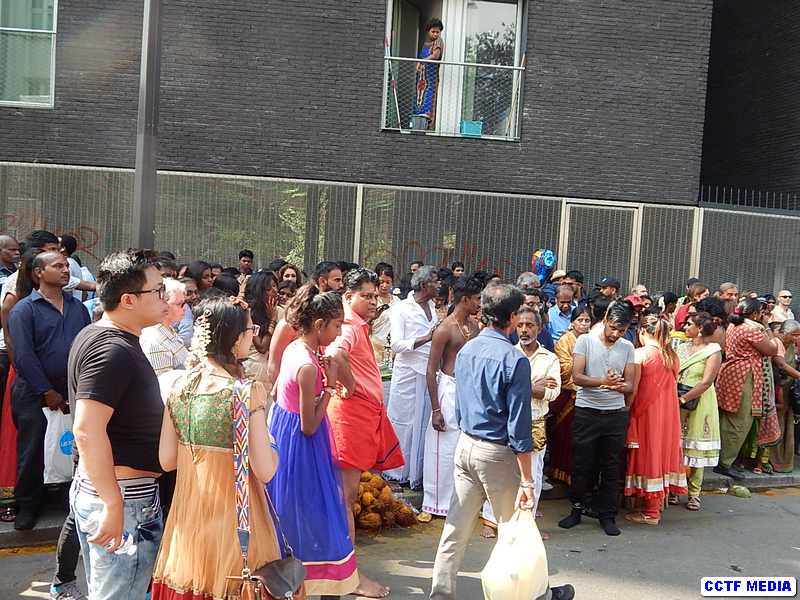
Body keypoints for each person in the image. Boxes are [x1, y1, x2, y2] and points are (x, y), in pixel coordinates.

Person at [429, 283, 574, 600]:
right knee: (514, 529)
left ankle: (441, 593)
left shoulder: (467, 349)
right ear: (512, 318)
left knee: (455, 528)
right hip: (496, 452)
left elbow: (460, 405)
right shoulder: (514, 360)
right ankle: (536, 595)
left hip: (466, 445)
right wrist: (527, 479)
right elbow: (518, 426)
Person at [150, 295, 280, 599]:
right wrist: (272, 445)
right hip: (237, 524)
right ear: (234, 339)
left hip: (188, 524)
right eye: (250, 329)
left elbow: (167, 460)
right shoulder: (244, 393)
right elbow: (266, 470)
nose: (253, 334)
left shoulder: (178, 388)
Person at [68, 251, 167, 600]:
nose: (165, 297)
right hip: (124, 499)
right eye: (157, 290)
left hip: (116, 494)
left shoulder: (103, 336)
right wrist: (113, 504)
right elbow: (86, 429)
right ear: (128, 300)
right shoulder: (112, 350)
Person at [267, 285, 359, 597]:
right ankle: (317, 579)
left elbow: (276, 393)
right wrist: (329, 386)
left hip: (284, 435)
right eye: (336, 326)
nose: (338, 333)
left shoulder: (295, 348)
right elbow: (308, 426)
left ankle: (291, 581)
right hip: (303, 446)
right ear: (319, 325)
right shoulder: (307, 366)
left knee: (288, 512)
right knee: (314, 511)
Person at [325, 268, 403, 599]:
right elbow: (335, 354)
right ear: (348, 297)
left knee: (343, 497)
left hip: (356, 416)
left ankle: (342, 572)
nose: (373, 301)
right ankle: (349, 576)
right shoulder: (349, 326)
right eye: (366, 296)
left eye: (375, 295)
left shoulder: (354, 324)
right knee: (344, 498)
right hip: (350, 417)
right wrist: (349, 384)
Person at [8, 252, 90, 530]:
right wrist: (46, 390)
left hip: (71, 391)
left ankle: (70, 499)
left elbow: (85, 347)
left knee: (72, 446)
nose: (66, 270)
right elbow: (23, 355)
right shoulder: (24, 310)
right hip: (34, 393)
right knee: (33, 449)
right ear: (39, 273)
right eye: (58, 266)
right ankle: (28, 505)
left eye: (66, 266)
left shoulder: (77, 308)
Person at [559, 301, 636, 536]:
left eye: (621, 330)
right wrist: (604, 381)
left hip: (614, 414)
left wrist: (618, 385)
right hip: (587, 411)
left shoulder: (627, 347)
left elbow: (630, 384)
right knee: (582, 464)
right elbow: (577, 377)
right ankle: (576, 509)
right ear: (604, 321)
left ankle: (607, 515)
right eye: (613, 328)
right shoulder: (585, 341)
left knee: (611, 466)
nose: (616, 334)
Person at [421, 275, 482, 518]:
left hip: (469, 391)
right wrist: (436, 409)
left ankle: (460, 502)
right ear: (464, 299)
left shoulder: (475, 327)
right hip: (448, 390)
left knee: (463, 447)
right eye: (477, 299)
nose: (479, 304)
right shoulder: (445, 329)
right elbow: (430, 370)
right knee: (442, 449)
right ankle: (433, 503)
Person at [623, 314, 687, 525]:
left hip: (646, 413)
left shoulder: (640, 354)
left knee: (648, 455)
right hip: (667, 414)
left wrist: (626, 409)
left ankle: (651, 512)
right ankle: (655, 506)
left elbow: (633, 389)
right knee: (660, 454)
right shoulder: (671, 356)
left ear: (642, 331)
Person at [385, 265, 440, 488]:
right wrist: (427, 338)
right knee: (403, 423)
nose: (439, 285)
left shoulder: (433, 306)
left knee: (422, 424)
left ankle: (416, 473)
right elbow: (397, 345)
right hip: (407, 373)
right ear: (424, 285)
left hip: (428, 373)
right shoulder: (401, 309)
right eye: (435, 281)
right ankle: (396, 472)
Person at [714, 297, 779, 480]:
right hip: (745, 376)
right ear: (756, 314)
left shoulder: (734, 325)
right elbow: (772, 350)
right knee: (740, 422)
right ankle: (725, 463)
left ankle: (721, 459)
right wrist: (767, 327)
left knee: (727, 418)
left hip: (730, 372)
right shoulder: (752, 329)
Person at [514, 307, 560, 517]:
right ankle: (494, 521)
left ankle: (528, 521)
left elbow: (552, 393)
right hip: (510, 421)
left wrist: (520, 386)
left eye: (529, 325)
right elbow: (502, 390)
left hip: (535, 421)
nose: (524, 330)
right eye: (520, 325)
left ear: (539, 328)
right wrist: (533, 386)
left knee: (534, 473)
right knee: (505, 473)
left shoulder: (549, 359)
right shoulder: (509, 354)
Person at [266, 260, 344, 386]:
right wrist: (283, 395)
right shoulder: (289, 324)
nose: (341, 285)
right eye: (337, 280)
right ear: (322, 281)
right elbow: (274, 368)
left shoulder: (329, 316)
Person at [676, 312, 722, 511]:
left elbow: (706, 382)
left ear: (700, 328)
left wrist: (684, 399)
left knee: (696, 448)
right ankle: (675, 489)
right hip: (677, 399)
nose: (685, 327)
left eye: (689, 324)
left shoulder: (713, 351)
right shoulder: (681, 347)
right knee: (676, 447)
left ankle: (694, 493)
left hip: (700, 401)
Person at [548, 304, 592, 485]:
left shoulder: (593, 339)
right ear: (572, 322)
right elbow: (564, 367)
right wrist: (583, 365)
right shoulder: (565, 340)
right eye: (580, 320)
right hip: (568, 394)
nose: (584, 323)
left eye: (587, 320)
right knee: (564, 435)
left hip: (589, 394)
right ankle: (560, 471)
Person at [139, 278, 189, 375]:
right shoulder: (154, 342)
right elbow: (161, 382)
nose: (184, 308)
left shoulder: (168, 329)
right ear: (161, 304)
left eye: (184, 304)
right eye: (179, 304)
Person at [769, 319, 800, 473]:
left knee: (786, 425)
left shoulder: (792, 347)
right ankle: (771, 461)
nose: (796, 338)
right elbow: (781, 364)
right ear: (784, 333)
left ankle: (784, 462)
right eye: (794, 335)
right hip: (776, 391)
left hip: (788, 392)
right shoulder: (775, 344)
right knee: (775, 425)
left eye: (798, 335)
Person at [242, 270, 279, 387]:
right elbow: (262, 347)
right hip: (253, 369)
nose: (275, 290)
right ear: (259, 291)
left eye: (275, 286)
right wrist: (272, 320)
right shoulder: (248, 313)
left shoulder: (280, 311)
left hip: (272, 369)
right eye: (269, 288)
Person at [412, 18, 444, 128]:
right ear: (428, 31)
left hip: (431, 78)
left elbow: (435, 56)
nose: (435, 34)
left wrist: (422, 61)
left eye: (437, 32)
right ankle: (417, 119)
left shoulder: (438, 41)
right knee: (418, 97)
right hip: (421, 78)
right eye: (433, 31)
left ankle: (426, 120)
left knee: (429, 96)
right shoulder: (426, 44)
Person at [370, 262, 398, 358]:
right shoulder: (371, 301)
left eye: (388, 282)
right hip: (373, 348)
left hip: (392, 349)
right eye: (381, 282)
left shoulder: (397, 301)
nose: (384, 285)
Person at [175, 277, 199, 348]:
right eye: (188, 293)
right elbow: (186, 340)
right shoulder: (185, 308)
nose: (194, 297)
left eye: (196, 292)